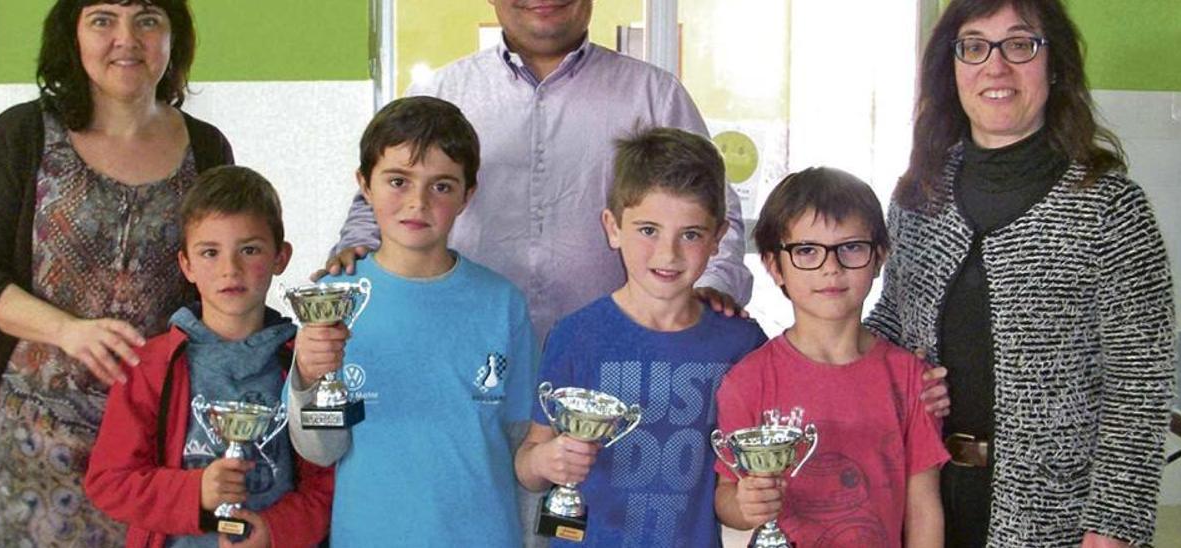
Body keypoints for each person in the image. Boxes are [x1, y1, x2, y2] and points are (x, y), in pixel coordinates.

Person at [863, 0, 1177, 546]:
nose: (996, 66)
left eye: (1020, 43)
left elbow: (1140, 381)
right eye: (974, 45)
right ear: (952, 67)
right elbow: (890, 323)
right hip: (926, 499)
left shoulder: (1110, 207)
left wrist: (1113, 524)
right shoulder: (918, 198)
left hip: (1058, 513)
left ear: (1053, 65)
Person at [0, 0, 233, 544]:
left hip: (156, 449)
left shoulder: (207, 148)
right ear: (72, 37)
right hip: (27, 454)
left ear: (174, 38)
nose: (127, 38)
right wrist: (66, 331)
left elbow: (223, 280)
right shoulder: (21, 135)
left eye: (148, 19)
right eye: (102, 19)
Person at [325, 0, 752, 342]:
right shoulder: (442, 92)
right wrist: (356, 256)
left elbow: (718, 212)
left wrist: (712, 285)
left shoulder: (655, 96)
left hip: (612, 355)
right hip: (467, 352)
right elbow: (380, 197)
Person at [288, 96, 536, 547]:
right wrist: (308, 374)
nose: (417, 203)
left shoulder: (503, 304)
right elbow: (321, 451)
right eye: (398, 181)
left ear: (468, 195)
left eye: (441, 186)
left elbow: (525, 447)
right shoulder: (333, 300)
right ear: (364, 185)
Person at [515, 127, 769, 548]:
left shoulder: (741, 344)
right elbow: (528, 462)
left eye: (690, 234)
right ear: (613, 228)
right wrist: (546, 460)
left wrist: (752, 499)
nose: (668, 254)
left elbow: (738, 487)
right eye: (648, 230)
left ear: (717, 240)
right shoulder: (576, 335)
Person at [84, 166, 334, 547]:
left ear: (280, 257)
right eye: (210, 253)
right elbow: (108, 481)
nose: (229, 269)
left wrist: (275, 530)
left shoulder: (304, 363)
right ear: (186, 265)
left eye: (249, 250)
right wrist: (195, 491)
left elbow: (327, 486)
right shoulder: (149, 366)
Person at [714, 167, 948, 547]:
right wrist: (745, 504)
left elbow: (923, 507)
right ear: (775, 266)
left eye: (851, 247)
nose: (831, 267)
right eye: (807, 250)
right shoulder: (748, 379)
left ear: (879, 257)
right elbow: (727, 494)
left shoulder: (909, 379)